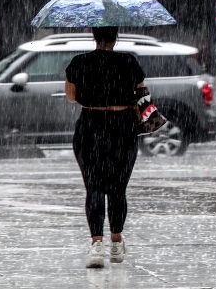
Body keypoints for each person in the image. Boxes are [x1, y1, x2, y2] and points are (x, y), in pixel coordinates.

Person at [64, 26, 145, 268]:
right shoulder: (129, 61)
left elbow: (71, 96)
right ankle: (116, 243)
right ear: (116, 35)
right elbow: (141, 94)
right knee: (118, 188)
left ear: (93, 34)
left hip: (90, 126)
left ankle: (96, 245)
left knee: (94, 187)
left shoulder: (79, 62)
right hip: (123, 129)